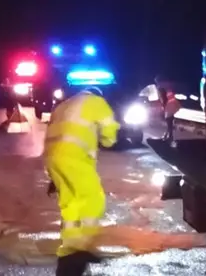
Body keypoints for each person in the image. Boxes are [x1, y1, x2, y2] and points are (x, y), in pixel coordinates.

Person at [44, 86, 119, 276]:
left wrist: (54, 176)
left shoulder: (64, 105)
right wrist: (107, 139)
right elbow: (109, 130)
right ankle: (85, 246)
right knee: (93, 200)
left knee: (70, 205)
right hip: (74, 158)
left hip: (53, 158)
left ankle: (70, 249)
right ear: (98, 93)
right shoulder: (97, 102)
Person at [154, 75, 180, 143]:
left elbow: (164, 98)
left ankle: (169, 136)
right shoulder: (163, 87)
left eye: (157, 81)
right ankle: (168, 135)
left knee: (169, 122)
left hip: (168, 106)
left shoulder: (161, 88)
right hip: (170, 106)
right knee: (169, 122)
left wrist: (164, 107)